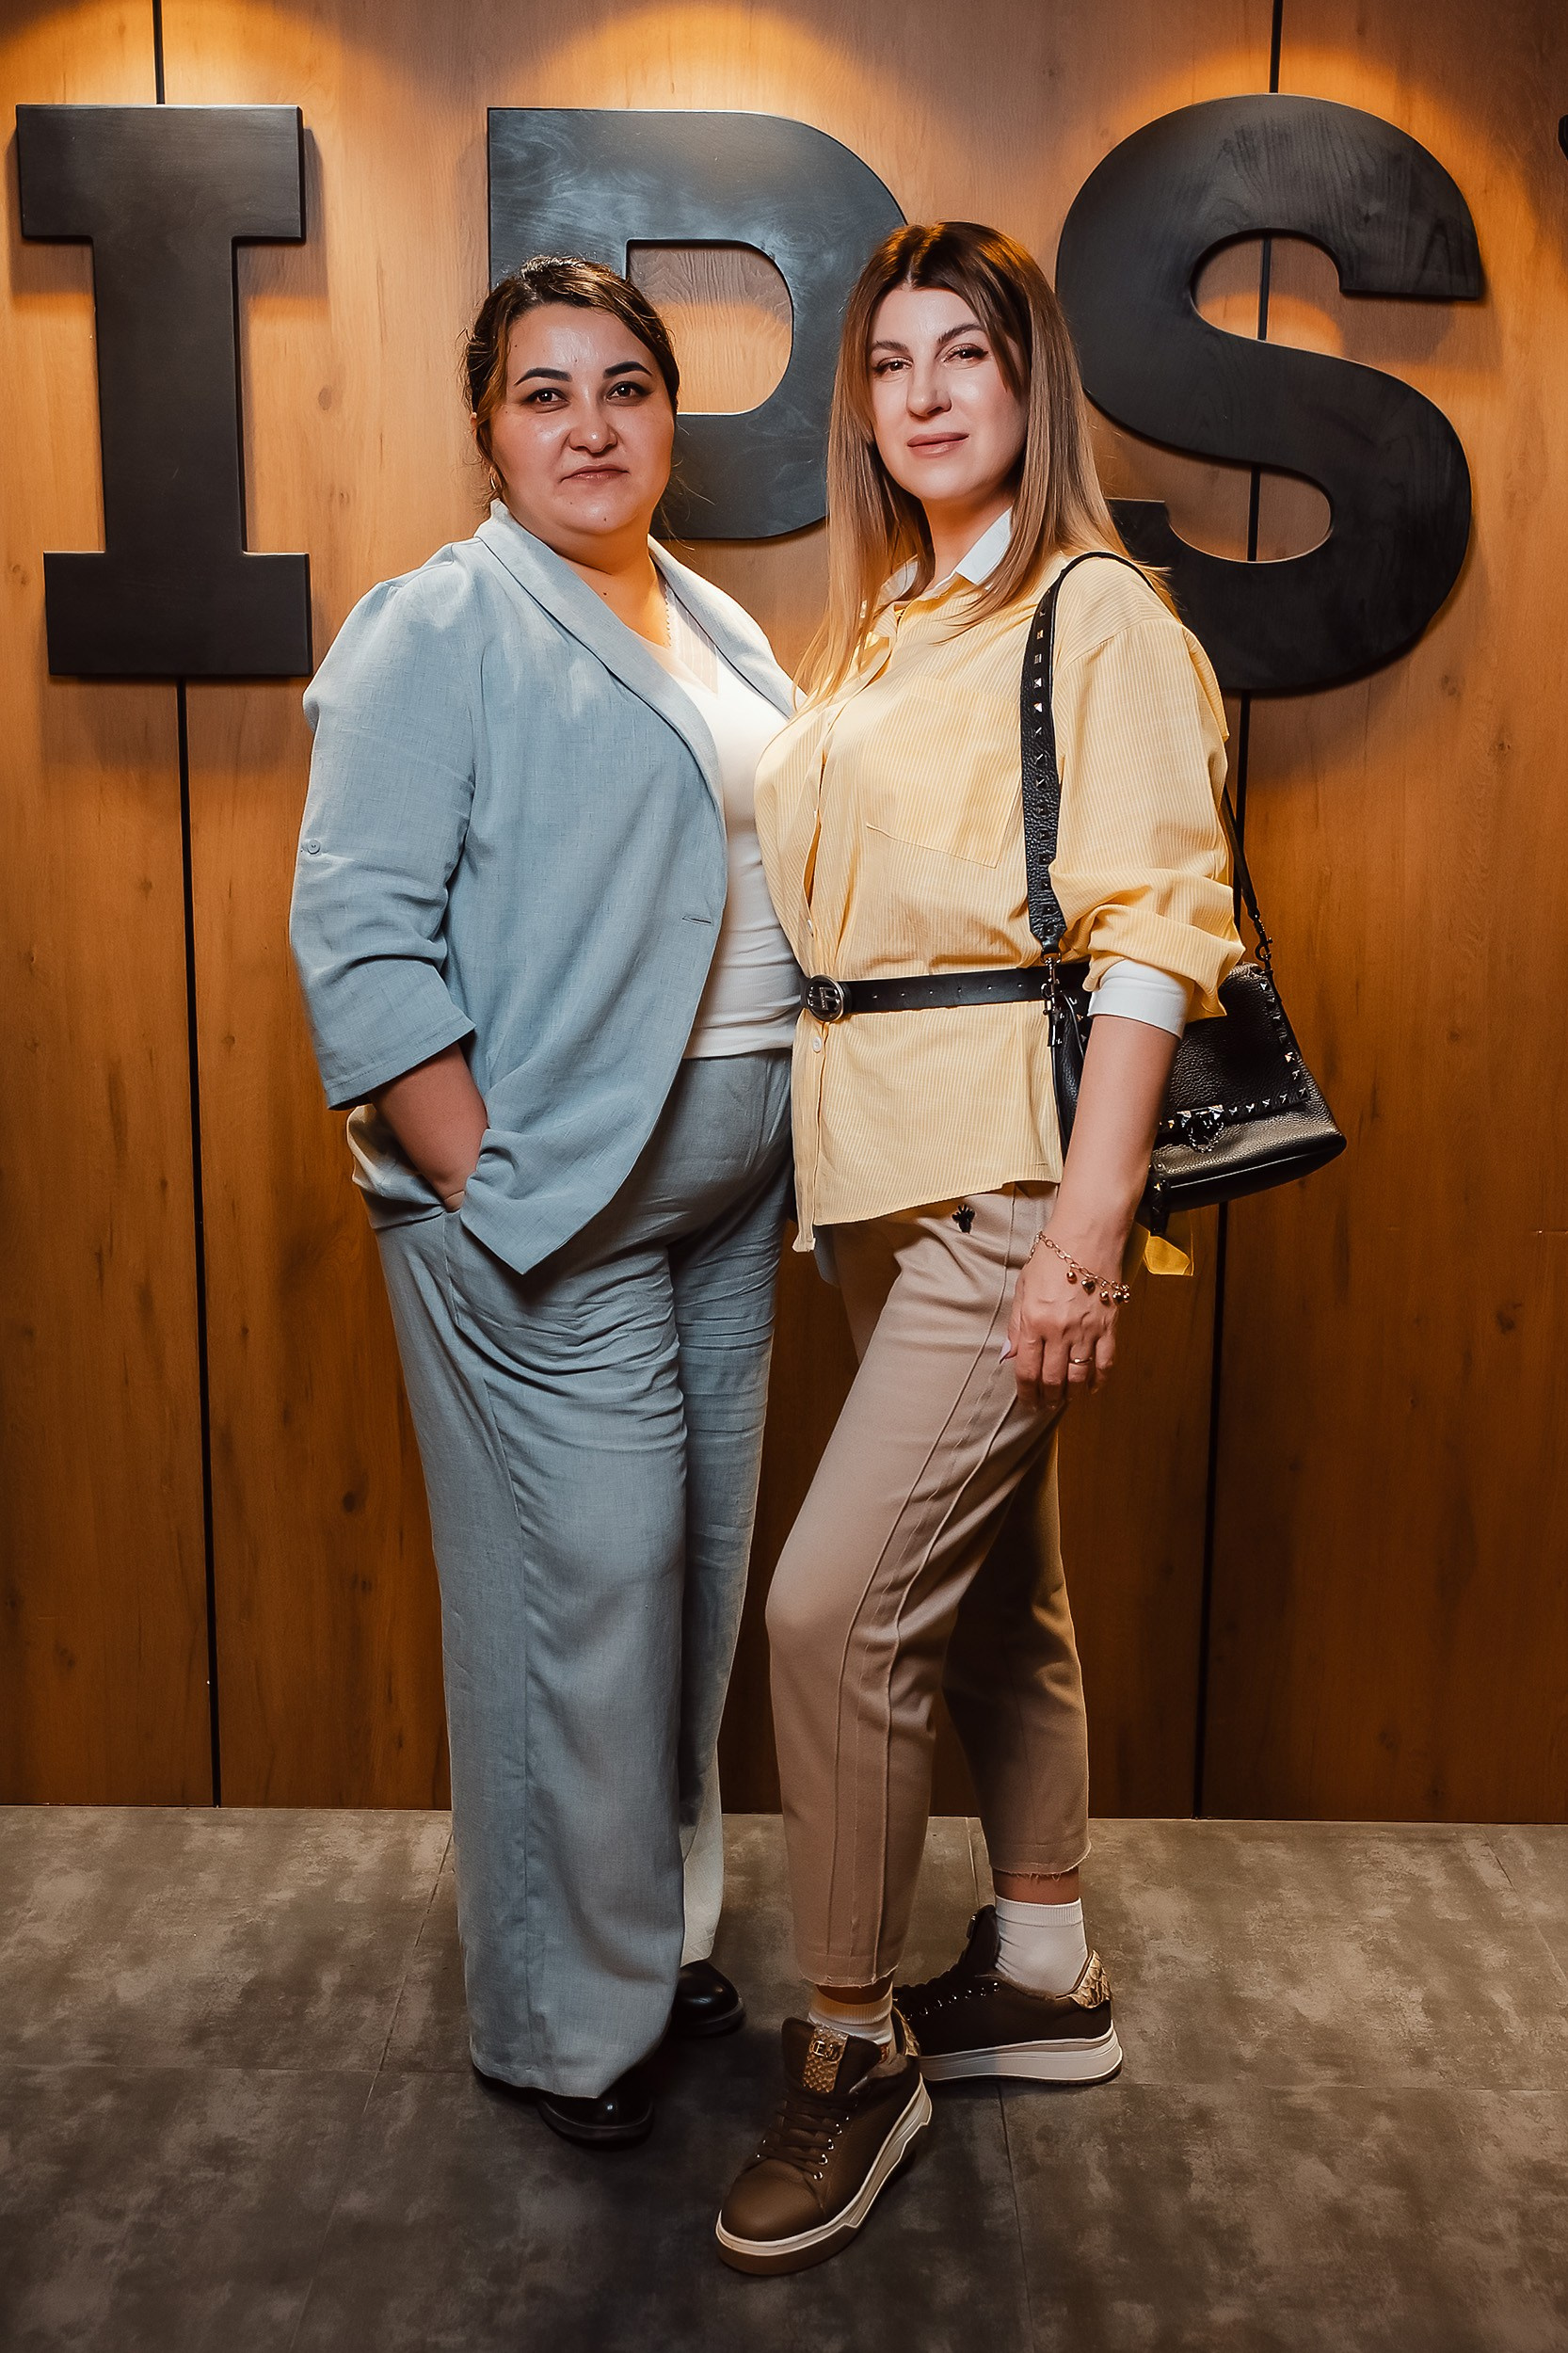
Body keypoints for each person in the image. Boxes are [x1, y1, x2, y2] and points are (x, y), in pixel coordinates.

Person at [715, 220, 1243, 2273]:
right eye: (889, 360)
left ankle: (851, 2047)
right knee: (998, 1580)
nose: (923, 393)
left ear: (1031, 384)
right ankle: (1037, 1971)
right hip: (872, 1171)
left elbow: (1152, 934)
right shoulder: (883, 623)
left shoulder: (1088, 611)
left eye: (966, 353)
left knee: (831, 1612)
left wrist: (1084, 1237)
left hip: (1004, 1178)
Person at [289, 256, 801, 2150]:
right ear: (487, 429)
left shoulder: (709, 618)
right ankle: (556, 2022)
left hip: (724, 1199)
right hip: (544, 1208)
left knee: (679, 1590)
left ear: (667, 414)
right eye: (543, 392)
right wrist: (475, 1172)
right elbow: (356, 931)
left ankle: (644, 1938)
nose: (590, 425)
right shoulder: (438, 624)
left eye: (624, 387)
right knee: (570, 1601)